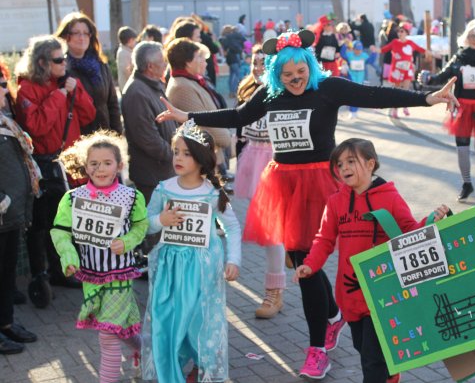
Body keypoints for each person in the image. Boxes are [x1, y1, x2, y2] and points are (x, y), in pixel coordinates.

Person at [156, 29, 458, 379]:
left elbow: (373, 93)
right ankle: (321, 337)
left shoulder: (327, 88)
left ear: (309, 66)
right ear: (276, 74)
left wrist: (428, 98)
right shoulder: (271, 95)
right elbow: (238, 116)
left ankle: (327, 329)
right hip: (285, 184)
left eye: (300, 71)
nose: (295, 79)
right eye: (287, 74)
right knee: (304, 263)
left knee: (316, 261)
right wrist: (188, 118)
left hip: (324, 184)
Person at [295, 138, 450, 383]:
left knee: (371, 358)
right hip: (350, 292)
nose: (344, 168)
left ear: (370, 164)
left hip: (384, 292)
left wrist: (432, 220)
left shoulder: (389, 198)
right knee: (362, 347)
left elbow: (409, 232)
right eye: (339, 163)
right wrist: (311, 264)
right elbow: (324, 238)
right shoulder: (336, 202)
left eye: (350, 161)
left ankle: (384, 372)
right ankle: (390, 373)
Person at [142, 123, 241, 383]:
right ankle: (170, 373)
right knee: (167, 321)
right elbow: (144, 223)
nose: (179, 158)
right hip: (169, 266)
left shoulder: (212, 193)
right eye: (176, 151)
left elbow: (231, 226)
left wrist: (234, 260)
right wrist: (160, 220)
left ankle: (200, 364)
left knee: (199, 322)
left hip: (202, 270)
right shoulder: (164, 188)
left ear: (200, 158)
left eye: (186, 153)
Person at [50, 131, 148, 383]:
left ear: (119, 165)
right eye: (94, 163)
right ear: (85, 166)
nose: (101, 169)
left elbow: (141, 226)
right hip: (90, 277)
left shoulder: (131, 197)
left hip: (120, 276)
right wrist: (68, 257)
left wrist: (126, 241)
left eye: (107, 163)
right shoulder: (72, 198)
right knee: (118, 330)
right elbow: (60, 231)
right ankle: (144, 350)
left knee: (106, 334)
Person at [15, 35, 96, 298]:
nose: (65, 64)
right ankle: (41, 275)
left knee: (63, 222)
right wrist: (59, 95)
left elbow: (88, 115)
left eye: (65, 59)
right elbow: (36, 127)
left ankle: (63, 271)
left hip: (68, 165)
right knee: (41, 224)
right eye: (59, 60)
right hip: (43, 164)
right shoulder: (27, 88)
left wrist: (76, 91)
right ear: (42, 62)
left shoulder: (67, 84)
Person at [422, 19, 475, 201]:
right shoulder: (460, 56)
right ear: (467, 38)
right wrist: (429, 79)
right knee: (462, 146)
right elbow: (444, 75)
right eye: (472, 36)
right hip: (463, 106)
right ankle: (467, 183)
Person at [234, 46, 286, 319]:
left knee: (271, 232)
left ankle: (274, 292)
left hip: (275, 163)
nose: (258, 68)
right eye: (255, 63)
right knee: (270, 233)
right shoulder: (249, 91)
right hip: (254, 160)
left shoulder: (281, 93)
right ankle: (275, 287)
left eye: (264, 64)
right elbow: (238, 129)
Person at [0, 80, 40, 354]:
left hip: (11, 213)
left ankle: (5, 322)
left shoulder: (5, 122)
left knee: (6, 272)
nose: (5, 91)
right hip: (3, 209)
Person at [164, 38, 233, 186]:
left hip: (206, 157)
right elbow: (204, 124)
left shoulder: (190, 81)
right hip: (199, 161)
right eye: (200, 57)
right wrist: (227, 138)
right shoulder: (181, 86)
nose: (205, 62)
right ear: (188, 62)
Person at [121, 41, 177, 203]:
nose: (166, 64)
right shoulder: (137, 92)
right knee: (155, 224)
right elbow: (147, 139)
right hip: (152, 174)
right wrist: (175, 155)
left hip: (162, 170)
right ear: (150, 67)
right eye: (163, 61)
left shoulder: (152, 85)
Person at [55, 12, 122, 135]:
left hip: (105, 134)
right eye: (76, 33)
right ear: (65, 36)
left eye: (86, 33)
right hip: (77, 138)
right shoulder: (60, 69)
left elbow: (112, 104)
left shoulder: (101, 65)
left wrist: (117, 135)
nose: (82, 37)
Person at [381, 22, 430, 118]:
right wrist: (375, 50)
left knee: (406, 89)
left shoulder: (410, 43)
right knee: (396, 90)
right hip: (397, 70)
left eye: (402, 31)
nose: (400, 33)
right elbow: (384, 49)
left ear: (407, 32)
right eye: (398, 31)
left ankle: (405, 106)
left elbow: (421, 49)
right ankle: (395, 108)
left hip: (407, 70)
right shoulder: (394, 42)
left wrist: (430, 52)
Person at [339, 41, 378, 118]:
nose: (358, 51)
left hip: (360, 78)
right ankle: (351, 110)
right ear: (353, 49)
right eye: (356, 49)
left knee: (357, 95)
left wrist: (374, 53)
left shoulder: (364, 55)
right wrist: (345, 45)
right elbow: (343, 55)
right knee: (351, 95)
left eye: (360, 49)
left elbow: (370, 61)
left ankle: (355, 111)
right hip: (351, 77)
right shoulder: (350, 55)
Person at [116, 26, 138, 91]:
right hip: (127, 88)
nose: (135, 42)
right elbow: (127, 72)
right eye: (134, 40)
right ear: (130, 40)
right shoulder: (123, 53)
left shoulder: (127, 51)